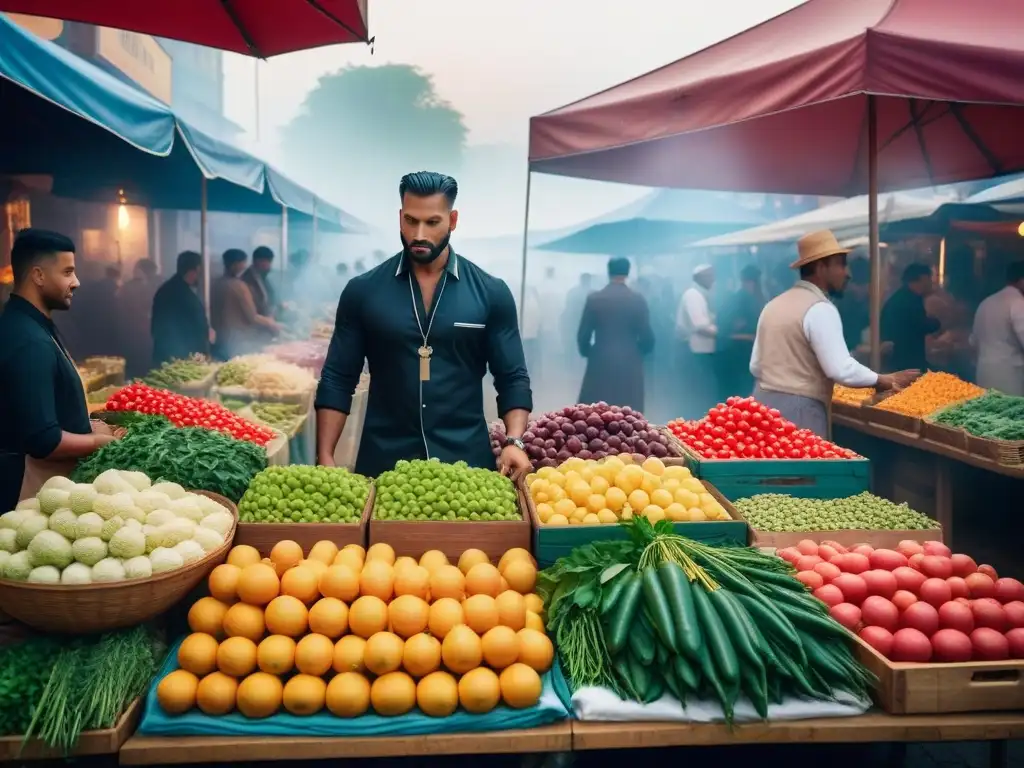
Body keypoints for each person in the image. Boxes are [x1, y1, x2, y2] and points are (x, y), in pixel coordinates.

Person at [315, 171, 533, 479]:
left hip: (467, 466)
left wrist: (514, 441)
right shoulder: (363, 291)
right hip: (384, 463)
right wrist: (325, 454)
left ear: (452, 221)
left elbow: (512, 377)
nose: (419, 234)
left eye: (432, 222)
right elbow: (338, 377)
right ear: (400, 217)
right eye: (411, 221)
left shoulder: (491, 292)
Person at [750, 230, 919, 436]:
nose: (847, 273)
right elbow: (840, 368)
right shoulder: (819, 308)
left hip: (762, 405)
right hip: (798, 410)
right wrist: (881, 379)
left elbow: (756, 365)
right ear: (821, 268)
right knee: (805, 458)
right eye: (841, 265)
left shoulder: (772, 305)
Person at [0, 229, 119, 511]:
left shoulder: (29, 323)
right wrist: (101, 442)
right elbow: (45, 440)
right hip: (26, 489)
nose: (76, 282)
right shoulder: (29, 340)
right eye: (67, 272)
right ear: (39, 275)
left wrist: (87, 425)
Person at [577, 257, 654, 412]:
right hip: (629, 361)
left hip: (600, 359)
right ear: (627, 272)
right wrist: (637, 352)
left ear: (609, 272)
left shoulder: (594, 299)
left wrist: (590, 352)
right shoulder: (637, 300)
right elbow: (647, 338)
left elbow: (583, 336)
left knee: (595, 412)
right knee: (628, 413)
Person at [211, 249, 280, 359]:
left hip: (221, 338)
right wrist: (271, 323)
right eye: (243, 263)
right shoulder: (239, 286)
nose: (245, 266)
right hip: (238, 340)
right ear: (236, 265)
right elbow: (253, 317)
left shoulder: (216, 283)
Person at [972, 261, 1024, 395]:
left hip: (984, 373)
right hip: (1010, 376)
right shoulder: (1018, 303)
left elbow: (973, 341)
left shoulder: (986, 302)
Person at [151, 251, 211, 367]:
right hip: (179, 357)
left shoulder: (168, 288)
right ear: (196, 269)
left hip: (169, 354)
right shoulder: (181, 293)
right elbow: (194, 325)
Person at [676, 263, 718, 417]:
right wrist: (724, 335)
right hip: (696, 352)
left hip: (702, 351)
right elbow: (700, 326)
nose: (713, 280)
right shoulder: (692, 295)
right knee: (699, 392)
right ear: (700, 278)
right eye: (710, 276)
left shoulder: (699, 294)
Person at [881, 263, 940, 372]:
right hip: (906, 362)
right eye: (930, 278)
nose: (932, 282)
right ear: (922, 278)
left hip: (903, 361)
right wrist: (936, 322)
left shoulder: (903, 297)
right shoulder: (908, 301)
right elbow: (920, 324)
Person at [718, 264, 764, 397]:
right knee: (744, 389)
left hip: (746, 350)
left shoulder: (749, 298)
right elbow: (727, 328)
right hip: (740, 351)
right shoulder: (741, 299)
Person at [118, 259, 159, 377]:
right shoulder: (157, 286)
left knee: (134, 370)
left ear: (140, 270)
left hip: (133, 334)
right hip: (148, 335)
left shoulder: (129, 287)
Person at [834, 255, 871, 352]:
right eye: (857, 284)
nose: (860, 289)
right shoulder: (840, 306)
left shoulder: (872, 304)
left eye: (864, 285)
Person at [561, 273, 593, 358]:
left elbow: (567, 307)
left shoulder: (573, 292)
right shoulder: (593, 293)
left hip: (573, 321)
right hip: (585, 323)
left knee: (572, 344)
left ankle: (570, 362)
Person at [242, 246, 278, 319]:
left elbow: (271, 297)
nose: (270, 266)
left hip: (266, 319)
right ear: (258, 261)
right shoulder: (248, 279)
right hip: (255, 322)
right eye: (268, 262)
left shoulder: (262, 277)